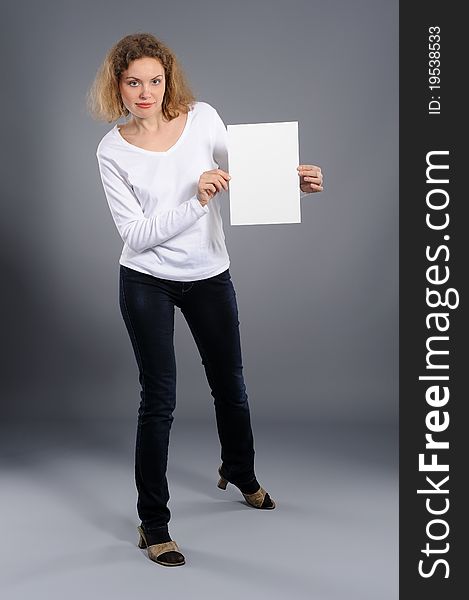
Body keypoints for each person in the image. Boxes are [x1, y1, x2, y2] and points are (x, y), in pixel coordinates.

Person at [87, 32, 324, 568]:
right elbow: (137, 235)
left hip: (208, 272)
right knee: (159, 400)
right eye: (133, 83)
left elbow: (244, 170)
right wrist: (197, 200)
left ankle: (240, 471)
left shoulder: (201, 118)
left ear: (167, 79)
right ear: (117, 87)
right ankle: (154, 524)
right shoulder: (112, 150)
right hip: (146, 279)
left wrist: (292, 181)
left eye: (155, 80)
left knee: (230, 384)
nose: (146, 92)